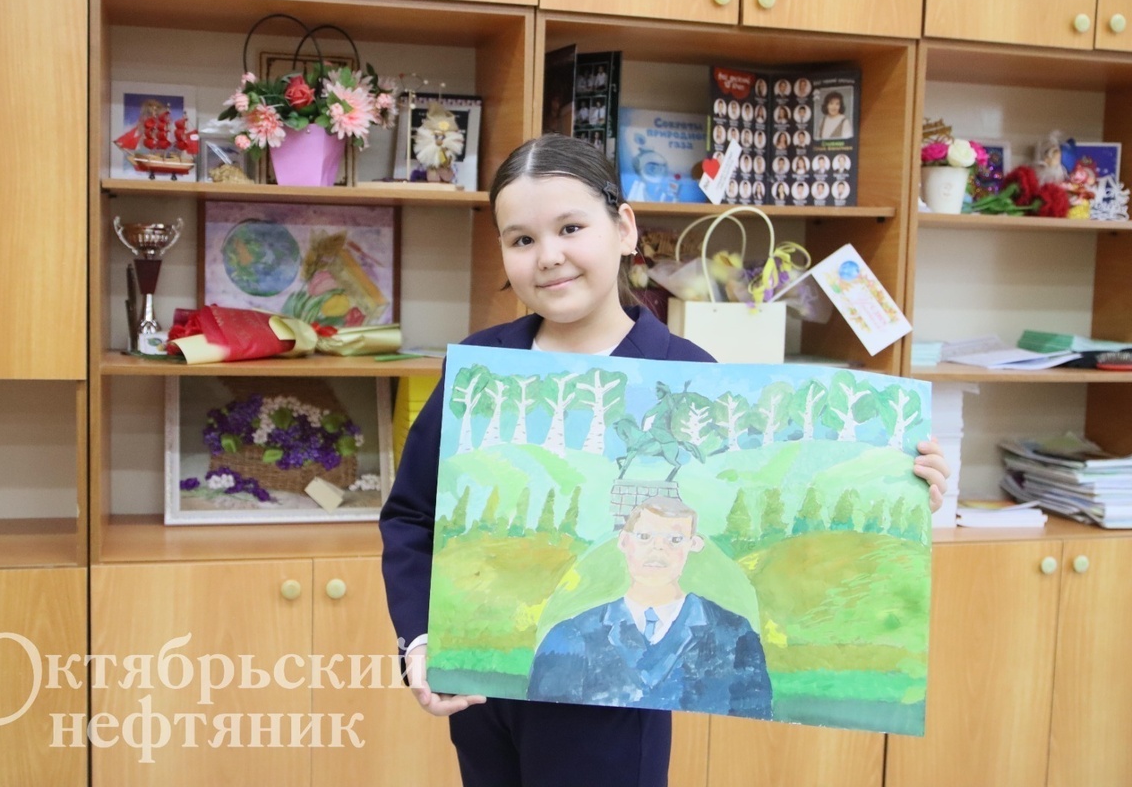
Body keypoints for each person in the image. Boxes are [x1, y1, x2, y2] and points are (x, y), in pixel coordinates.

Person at [380, 133, 951, 787]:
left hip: (616, 709)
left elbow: (767, 494)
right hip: (482, 701)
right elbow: (412, 516)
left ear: (624, 228)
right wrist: (419, 640)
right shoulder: (480, 368)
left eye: (571, 228)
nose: (549, 256)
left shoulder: (690, 376)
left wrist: (903, 488)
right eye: (522, 239)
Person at [527, 496, 773, 718]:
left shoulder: (734, 634)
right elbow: (545, 722)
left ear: (693, 544)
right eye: (644, 537)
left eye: (675, 539)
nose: (658, 547)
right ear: (624, 541)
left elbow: (754, 720)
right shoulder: (572, 636)